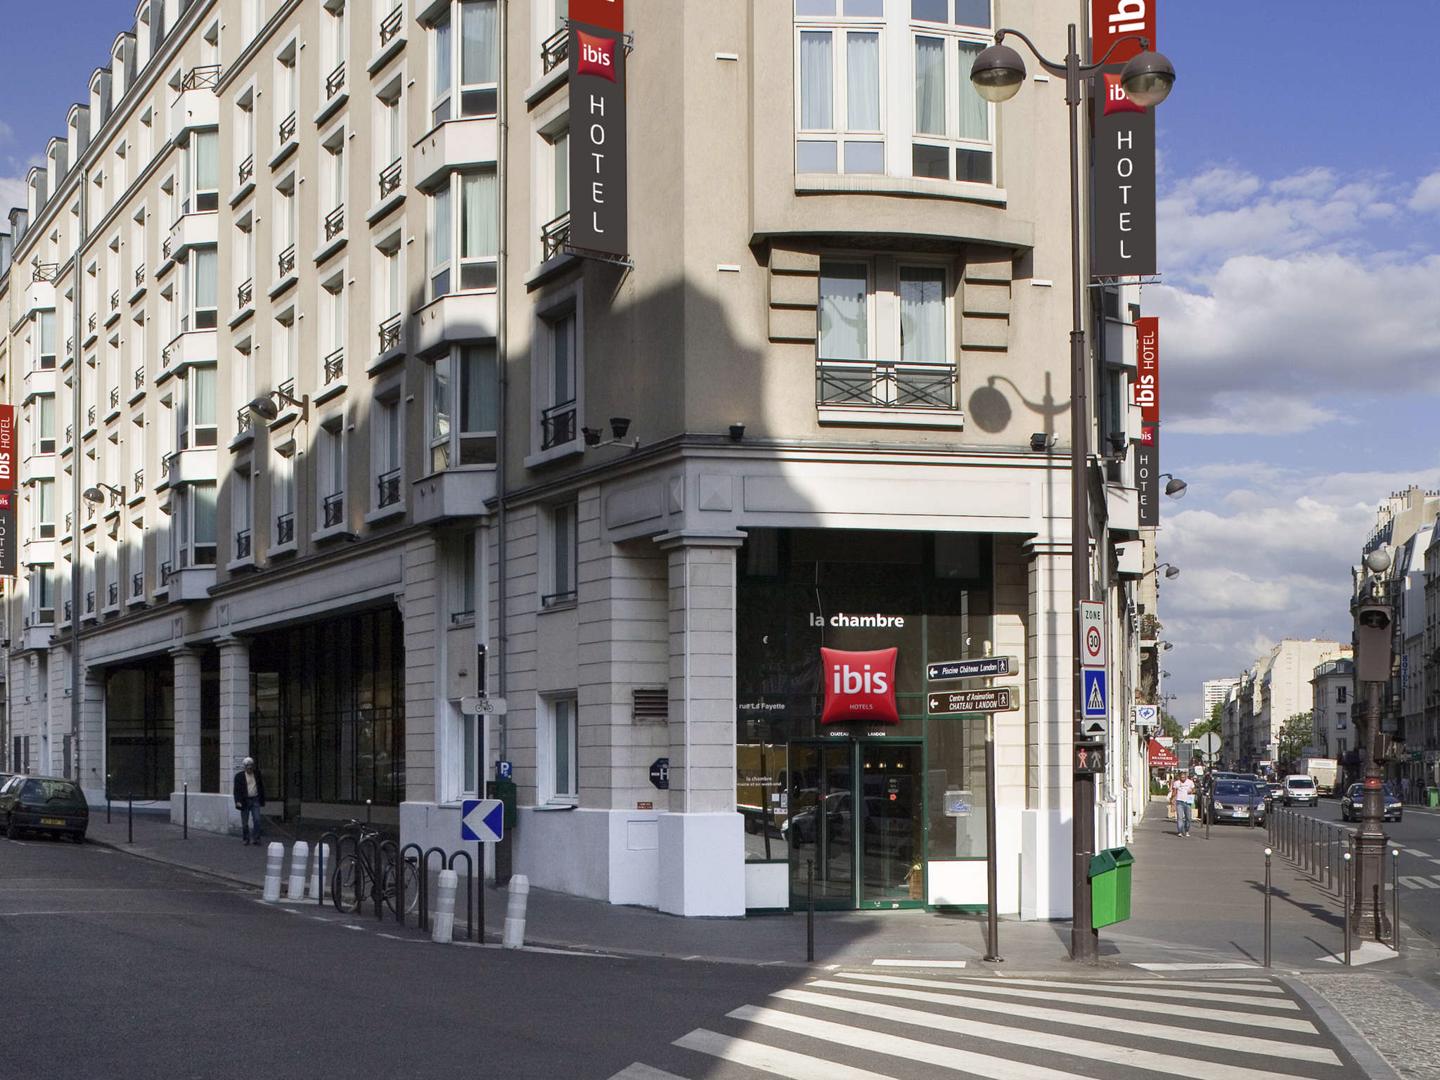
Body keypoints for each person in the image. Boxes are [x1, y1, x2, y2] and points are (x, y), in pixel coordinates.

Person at [233, 757, 267, 845]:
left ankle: (256, 838)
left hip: (255, 799)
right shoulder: (239, 776)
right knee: (245, 822)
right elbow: (236, 790)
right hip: (244, 801)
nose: (249, 769)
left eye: (251, 767)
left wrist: (262, 800)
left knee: (257, 819)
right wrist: (237, 801)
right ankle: (246, 838)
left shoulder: (257, 774)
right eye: (247, 767)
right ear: (244, 767)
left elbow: (261, 787)